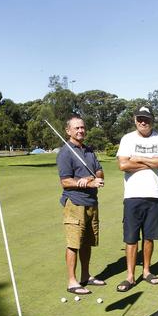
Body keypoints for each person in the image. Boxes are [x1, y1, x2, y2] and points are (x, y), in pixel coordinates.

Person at [116, 105, 158, 292]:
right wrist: (151, 162)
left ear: (152, 120)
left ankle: (146, 271)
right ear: (135, 120)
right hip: (132, 196)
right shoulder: (127, 139)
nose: (143, 122)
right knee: (131, 238)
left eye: (146, 119)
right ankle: (130, 276)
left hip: (154, 194)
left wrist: (138, 158)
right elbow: (123, 165)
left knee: (149, 237)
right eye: (140, 118)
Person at [56, 114, 106, 295]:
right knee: (74, 243)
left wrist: (92, 179)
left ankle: (85, 276)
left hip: (92, 202)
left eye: (82, 127)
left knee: (87, 242)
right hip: (75, 203)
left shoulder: (89, 151)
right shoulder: (65, 152)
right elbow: (65, 181)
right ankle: (72, 281)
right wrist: (83, 182)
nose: (80, 130)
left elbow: (100, 172)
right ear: (68, 131)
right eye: (76, 128)